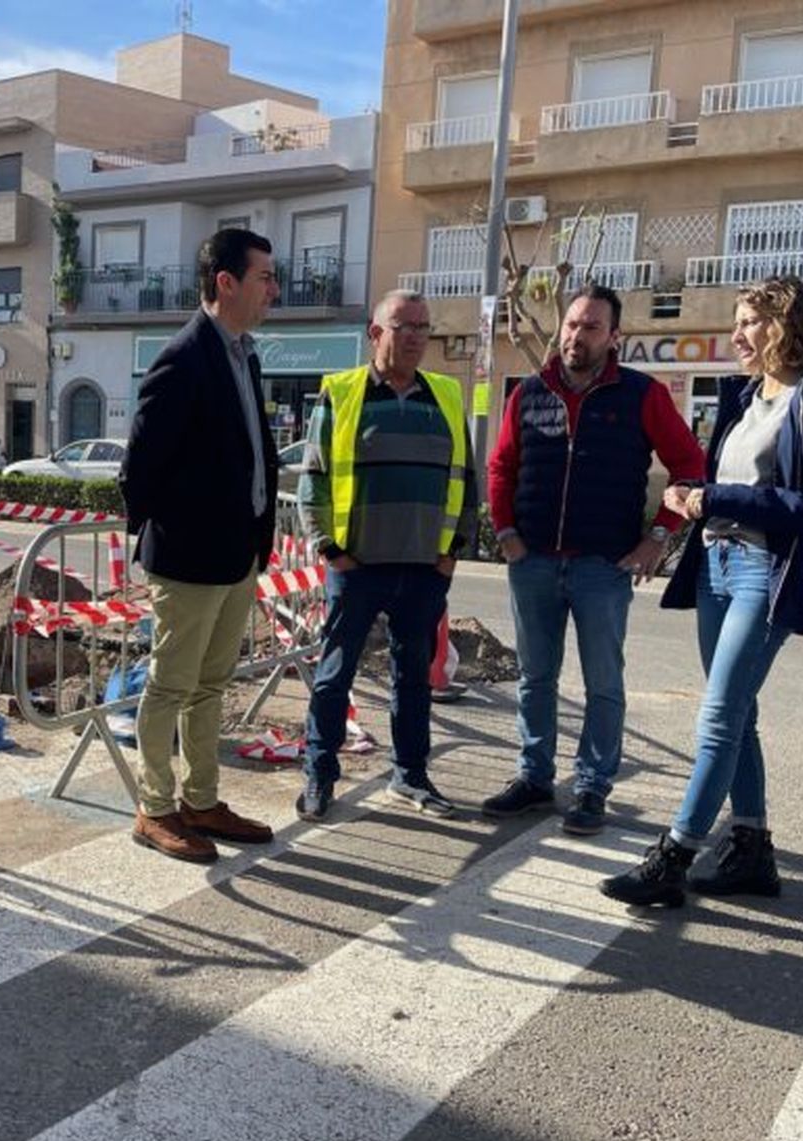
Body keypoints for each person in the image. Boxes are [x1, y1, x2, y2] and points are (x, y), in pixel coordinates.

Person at [601, 277, 803, 907]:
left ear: (784, 326)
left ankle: (674, 856)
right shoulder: (745, 397)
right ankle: (751, 851)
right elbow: (728, 484)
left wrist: (717, 498)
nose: (737, 334)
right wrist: (694, 497)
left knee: (719, 714)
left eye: (749, 322)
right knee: (738, 712)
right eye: (738, 322)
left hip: (764, 571)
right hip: (716, 565)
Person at [481, 284, 705, 835]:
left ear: (614, 337)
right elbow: (502, 466)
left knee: (603, 683)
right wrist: (505, 532)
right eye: (572, 324)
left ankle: (591, 786)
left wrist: (659, 536)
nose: (576, 336)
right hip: (533, 561)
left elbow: (689, 467)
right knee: (535, 677)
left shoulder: (642, 395)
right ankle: (534, 778)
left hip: (603, 566)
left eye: (590, 327)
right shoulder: (529, 393)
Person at [118, 228, 281, 863]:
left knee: (211, 685)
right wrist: (173, 536)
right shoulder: (182, 358)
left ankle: (201, 800)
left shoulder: (244, 355)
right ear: (226, 282)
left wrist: (254, 536)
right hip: (190, 561)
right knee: (170, 686)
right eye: (265, 277)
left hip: (237, 555)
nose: (274, 289)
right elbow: (139, 469)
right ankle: (154, 808)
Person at [295, 290, 477, 821]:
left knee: (413, 678)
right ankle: (319, 774)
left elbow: (467, 479)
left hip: (423, 569)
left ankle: (411, 775)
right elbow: (314, 479)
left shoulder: (445, 395)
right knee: (335, 675)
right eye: (404, 326)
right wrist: (330, 550)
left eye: (423, 326)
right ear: (375, 333)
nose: (417, 336)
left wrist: (452, 553)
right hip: (357, 568)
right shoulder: (341, 392)